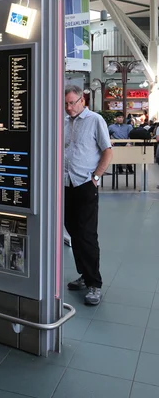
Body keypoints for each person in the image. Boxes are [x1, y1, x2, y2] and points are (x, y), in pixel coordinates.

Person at [65, 85, 112, 306]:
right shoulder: (64, 122)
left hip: (85, 184)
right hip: (66, 185)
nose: (69, 107)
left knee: (86, 234)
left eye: (72, 102)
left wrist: (96, 177)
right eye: (65, 104)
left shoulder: (95, 120)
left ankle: (95, 284)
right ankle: (84, 275)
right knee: (73, 232)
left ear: (82, 100)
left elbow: (107, 151)